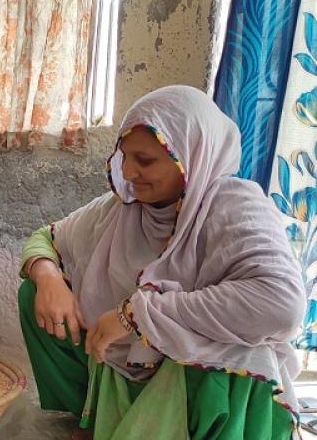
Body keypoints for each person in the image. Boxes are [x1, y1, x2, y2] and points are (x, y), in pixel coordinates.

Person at [18, 86, 305, 439]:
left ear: (190, 154)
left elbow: (281, 305)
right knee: (33, 293)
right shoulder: (120, 211)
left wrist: (137, 316)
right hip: (129, 362)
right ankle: (83, 418)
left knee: (234, 356)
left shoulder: (235, 208)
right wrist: (48, 280)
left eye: (147, 160)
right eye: (126, 156)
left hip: (196, 381)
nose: (130, 172)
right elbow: (44, 239)